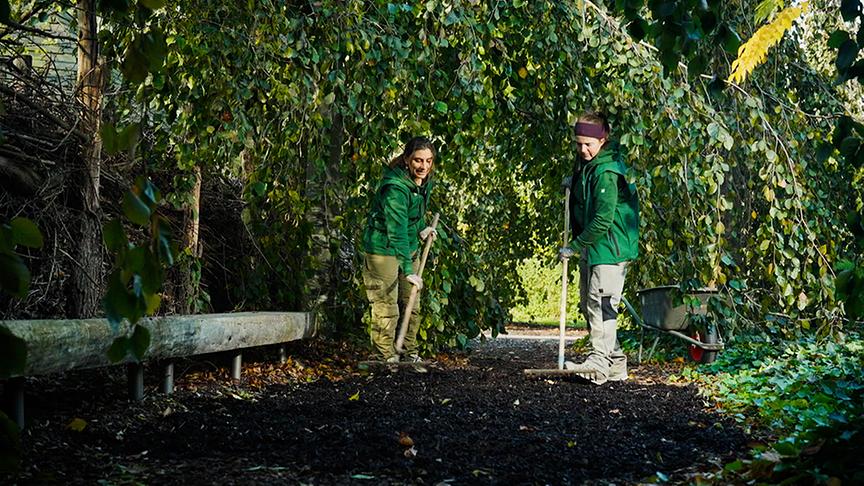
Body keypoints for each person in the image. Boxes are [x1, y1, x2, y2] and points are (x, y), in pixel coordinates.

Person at [559, 112, 640, 385]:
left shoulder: (606, 171)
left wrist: (574, 246)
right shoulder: (588, 165)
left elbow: (604, 219)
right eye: (579, 144)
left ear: (603, 140)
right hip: (595, 247)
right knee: (589, 303)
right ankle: (615, 363)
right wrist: (575, 182)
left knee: (602, 304)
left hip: (609, 247)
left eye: (588, 144)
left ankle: (598, 364)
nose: (583, 149)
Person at [361, 136, 437, 370]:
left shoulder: (423, 182)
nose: (423, 166)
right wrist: (407, 269)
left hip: (408, 248)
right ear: (407, 159)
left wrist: (421, 230)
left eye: (428, 161)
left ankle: (409, 353)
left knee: (412, 303)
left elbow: (408, 220)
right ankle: (386, 357)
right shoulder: (394, 188)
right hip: (383, 250)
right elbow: (395, 231)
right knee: (387, 306)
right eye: (417, 160)